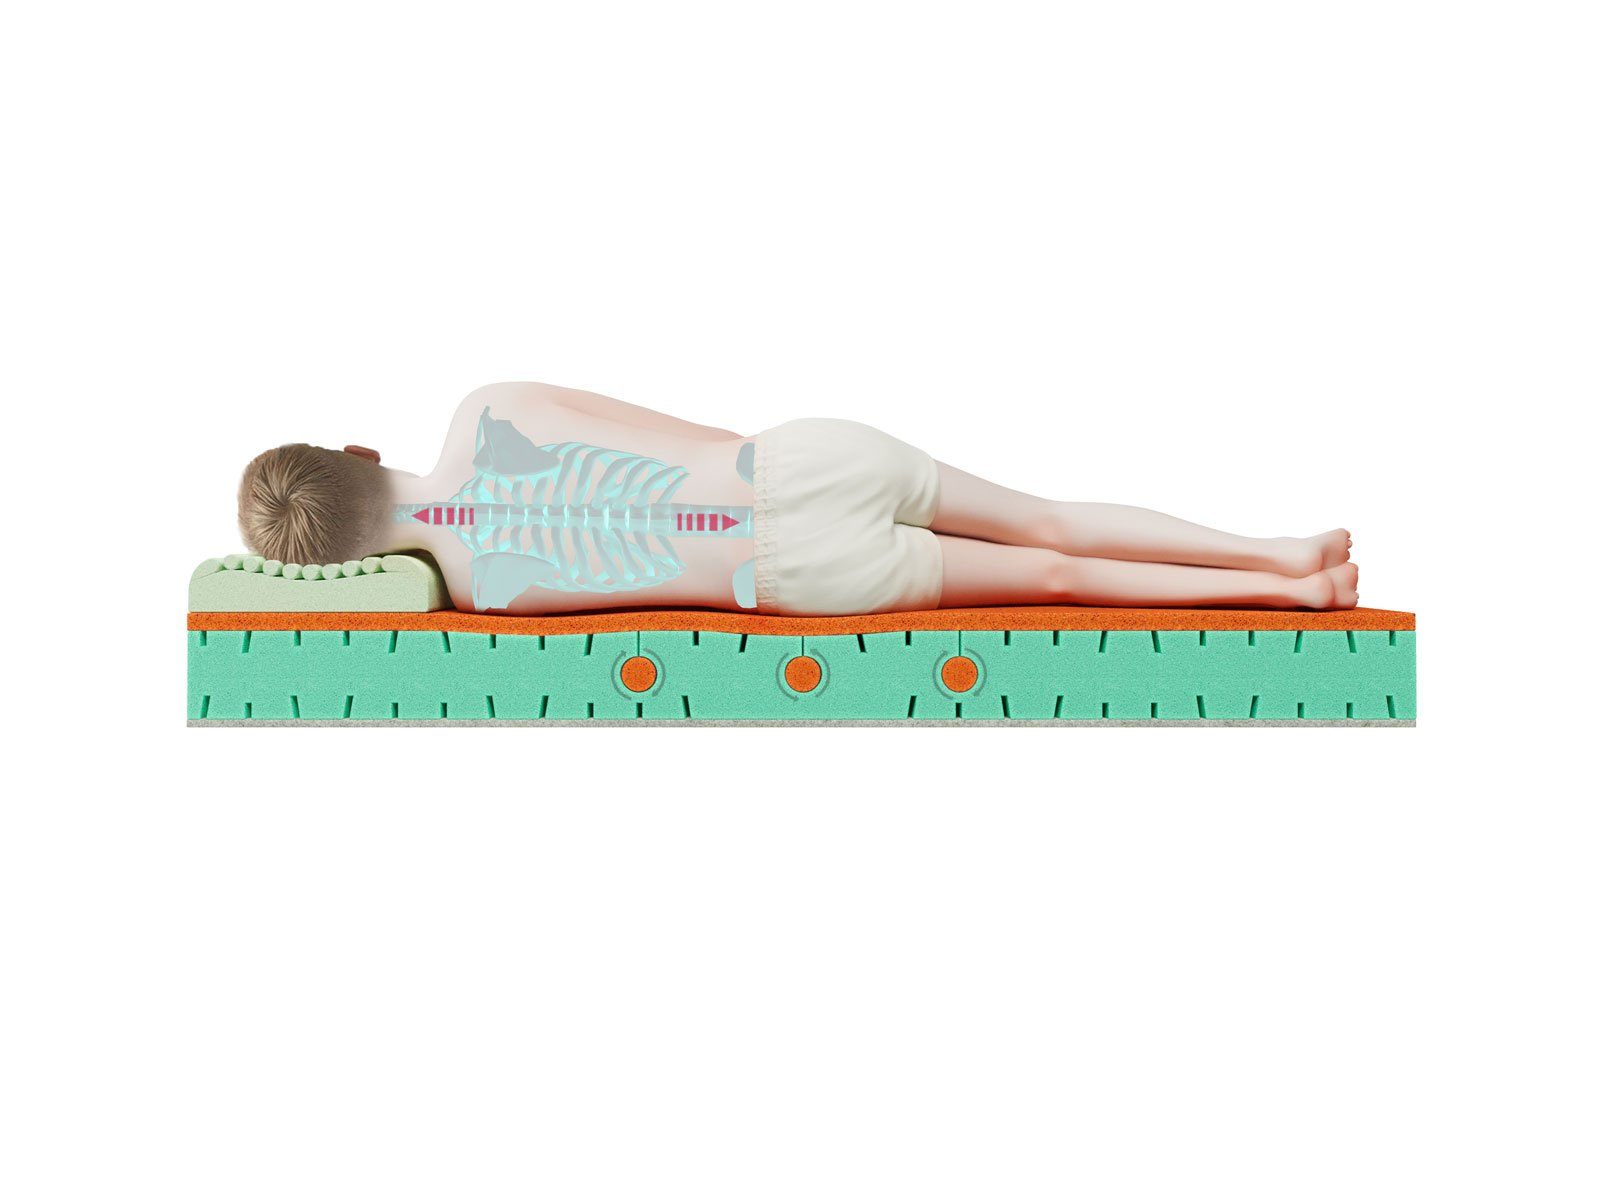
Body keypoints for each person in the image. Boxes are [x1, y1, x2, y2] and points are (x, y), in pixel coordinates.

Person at [238, 381, 1357, 616]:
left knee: (1052, 577)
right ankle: (1283, 552)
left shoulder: (482, 593)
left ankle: (1295, 601)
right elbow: (685, 437)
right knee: (1048, 520)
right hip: (785, 469)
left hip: (789, 576)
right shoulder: (488, 411)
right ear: (354, 448)